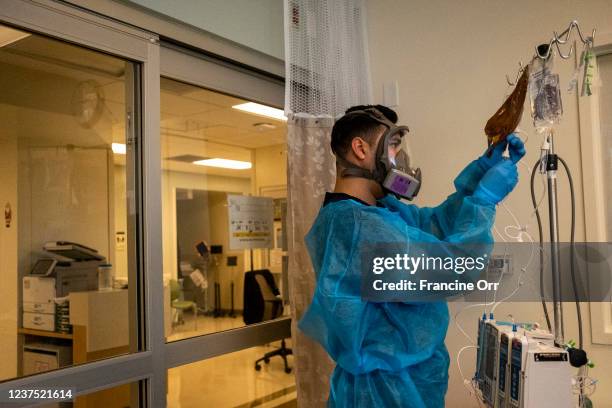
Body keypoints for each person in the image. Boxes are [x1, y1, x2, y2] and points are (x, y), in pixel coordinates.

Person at [298, 105, 526, 407]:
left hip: (404, 381)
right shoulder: (355, 226)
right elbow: (449, 267)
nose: (399, 157)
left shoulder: (382, 212)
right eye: (393, 144)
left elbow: (435, 225)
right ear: (360, 149)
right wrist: (483, 201)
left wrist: (479, 176)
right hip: (384, 391)